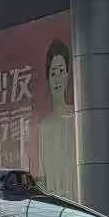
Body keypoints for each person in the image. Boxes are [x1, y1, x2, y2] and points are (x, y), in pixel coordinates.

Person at [36, 40, 77, 201]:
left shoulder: (77, 118)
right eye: (53, 73)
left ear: (67, 74)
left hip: (78, 203)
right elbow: (42, 177)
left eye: (61, 71)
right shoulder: (44, 126)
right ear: (48, 77)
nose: (57, 78)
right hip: (55, 206)